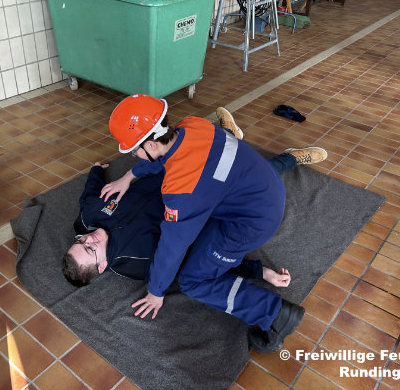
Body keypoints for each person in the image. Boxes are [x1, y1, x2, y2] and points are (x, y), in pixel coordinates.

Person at [100, 94, 328, 353]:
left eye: (134, 151)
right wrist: (128, 177)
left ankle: (274, 313)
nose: (134, 156)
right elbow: (164, 155)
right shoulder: (192, 125)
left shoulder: (181, 188)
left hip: (251, 223)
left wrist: (156, 291)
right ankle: (257, 272)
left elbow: (172, 245)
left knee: (192, 280)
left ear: (150, 144)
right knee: (201, 252)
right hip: (261, 188)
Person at [63, 162, 293, 290]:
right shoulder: (137, 263)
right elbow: (201, 260)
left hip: (166, 169)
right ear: (102, 266)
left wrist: (96, 171)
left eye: (80, 241)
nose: (88, 238)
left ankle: (231, 139)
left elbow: (88, 197)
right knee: (251, 179)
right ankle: (288, 159)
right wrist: (260, 272)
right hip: (194, 193)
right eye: (90, 249)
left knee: (212, 150)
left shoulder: (85, 221)